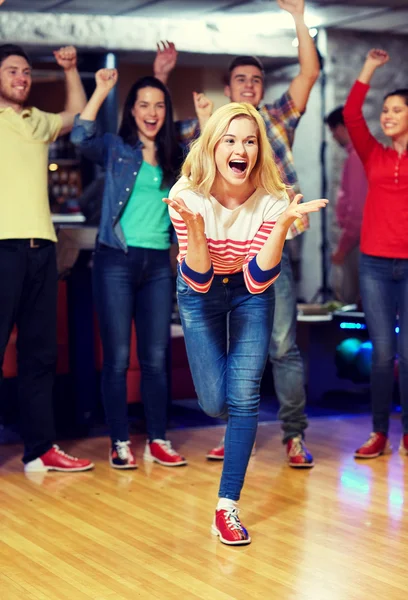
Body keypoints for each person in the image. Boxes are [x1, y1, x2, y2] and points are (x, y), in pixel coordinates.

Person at [154, 0, 321, 467]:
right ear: (228, 88)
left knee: (283, 344)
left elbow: (308, 75)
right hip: (215, 254)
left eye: (257, 80)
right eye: (241, 80)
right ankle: (238, 426)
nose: (250, 85)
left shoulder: (276, 118)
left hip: (272, 245)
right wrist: (162, 80)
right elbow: (161, 133)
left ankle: (292, 434)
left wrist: (299, 20)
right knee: (223, 357)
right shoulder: (214, 128)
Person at [165, 102, 327, 545]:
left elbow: (258, 280)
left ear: (259, 150)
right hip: (198, 293)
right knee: (216, 402)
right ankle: (227, 420)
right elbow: (197, 279)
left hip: (249, 291)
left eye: (250, 141)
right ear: (214, 147)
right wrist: (196, 232)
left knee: (245, 396)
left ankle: (226, 508)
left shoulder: (272, 199)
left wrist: (281, 225)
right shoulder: (187, 194)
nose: (242, 149)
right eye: (231, 140)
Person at [71, 69, 186, 469]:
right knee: (118, 358)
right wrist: (101, 90)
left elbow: (210, 165)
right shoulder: (117, 149)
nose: (151, 113)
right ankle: (119, 440)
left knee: (155, 357)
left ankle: (158, 438)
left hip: (157, 263)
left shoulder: (177, 157)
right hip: (115, 260)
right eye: (143, 105)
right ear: (131, 111)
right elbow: (79, 136)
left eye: (159, 105)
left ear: (166, 111)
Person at [0, 43, 93, 472]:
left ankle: (39, 449)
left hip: (42, 247)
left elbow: (76, 112)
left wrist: (71, 69)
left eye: (26, 71)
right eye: (12, 70)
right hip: (2, 248)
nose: (22, 77)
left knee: (40, 355)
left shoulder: (36, 121)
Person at [343, 49, 408, 459]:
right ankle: (380, 432)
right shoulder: (374, 154)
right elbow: (352, 115)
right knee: (383, 353)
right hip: (375, 264)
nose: (387, 116)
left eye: (396, 110)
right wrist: (367, 68)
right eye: (385, 110)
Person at [325, 106, 367, 305]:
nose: (334, 137)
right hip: (357, 239)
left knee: (353, 301)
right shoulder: (357, 155)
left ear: (342, 127)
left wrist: (343, 247)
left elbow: (358, 209)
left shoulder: (358, 157)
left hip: (359, 242)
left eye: (333, 131)